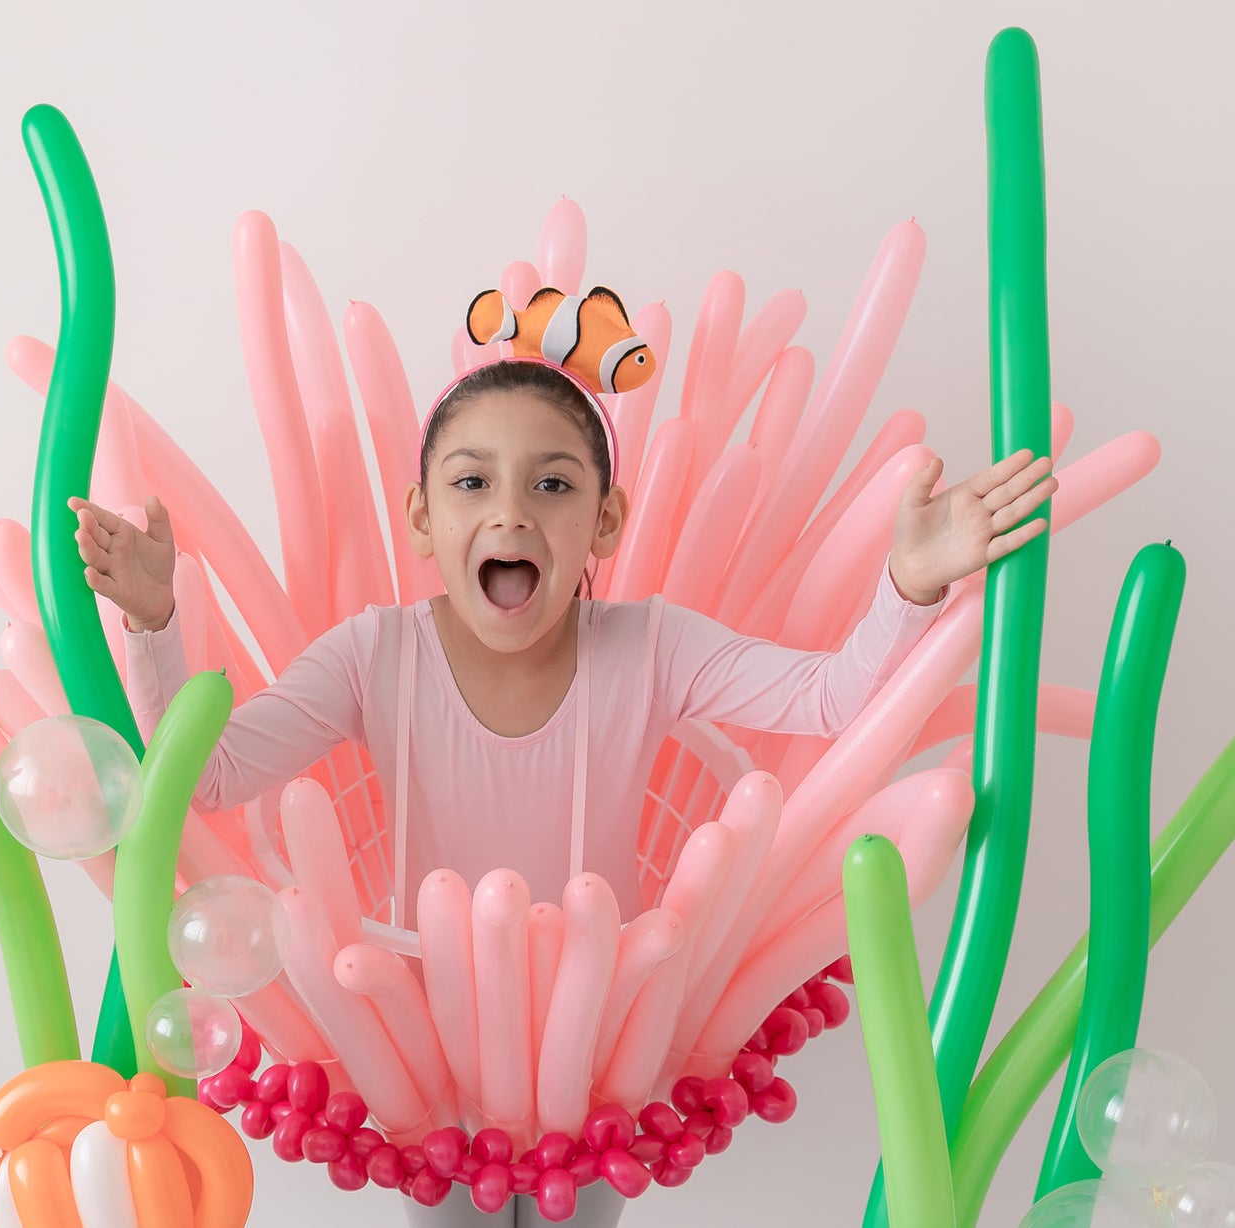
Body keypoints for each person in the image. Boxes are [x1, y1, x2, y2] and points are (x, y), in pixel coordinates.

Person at [72, 345, 1055, 1227]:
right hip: (428, 1056)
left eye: (551, 483)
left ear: (604, 520)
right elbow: (213, 775)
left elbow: (831, 700)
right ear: (423, 517)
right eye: (472, 481)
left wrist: (910, 584)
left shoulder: (652, 645)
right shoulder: (374, 653)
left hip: (597, 1052)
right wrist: (154, 623)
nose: (510, 511)